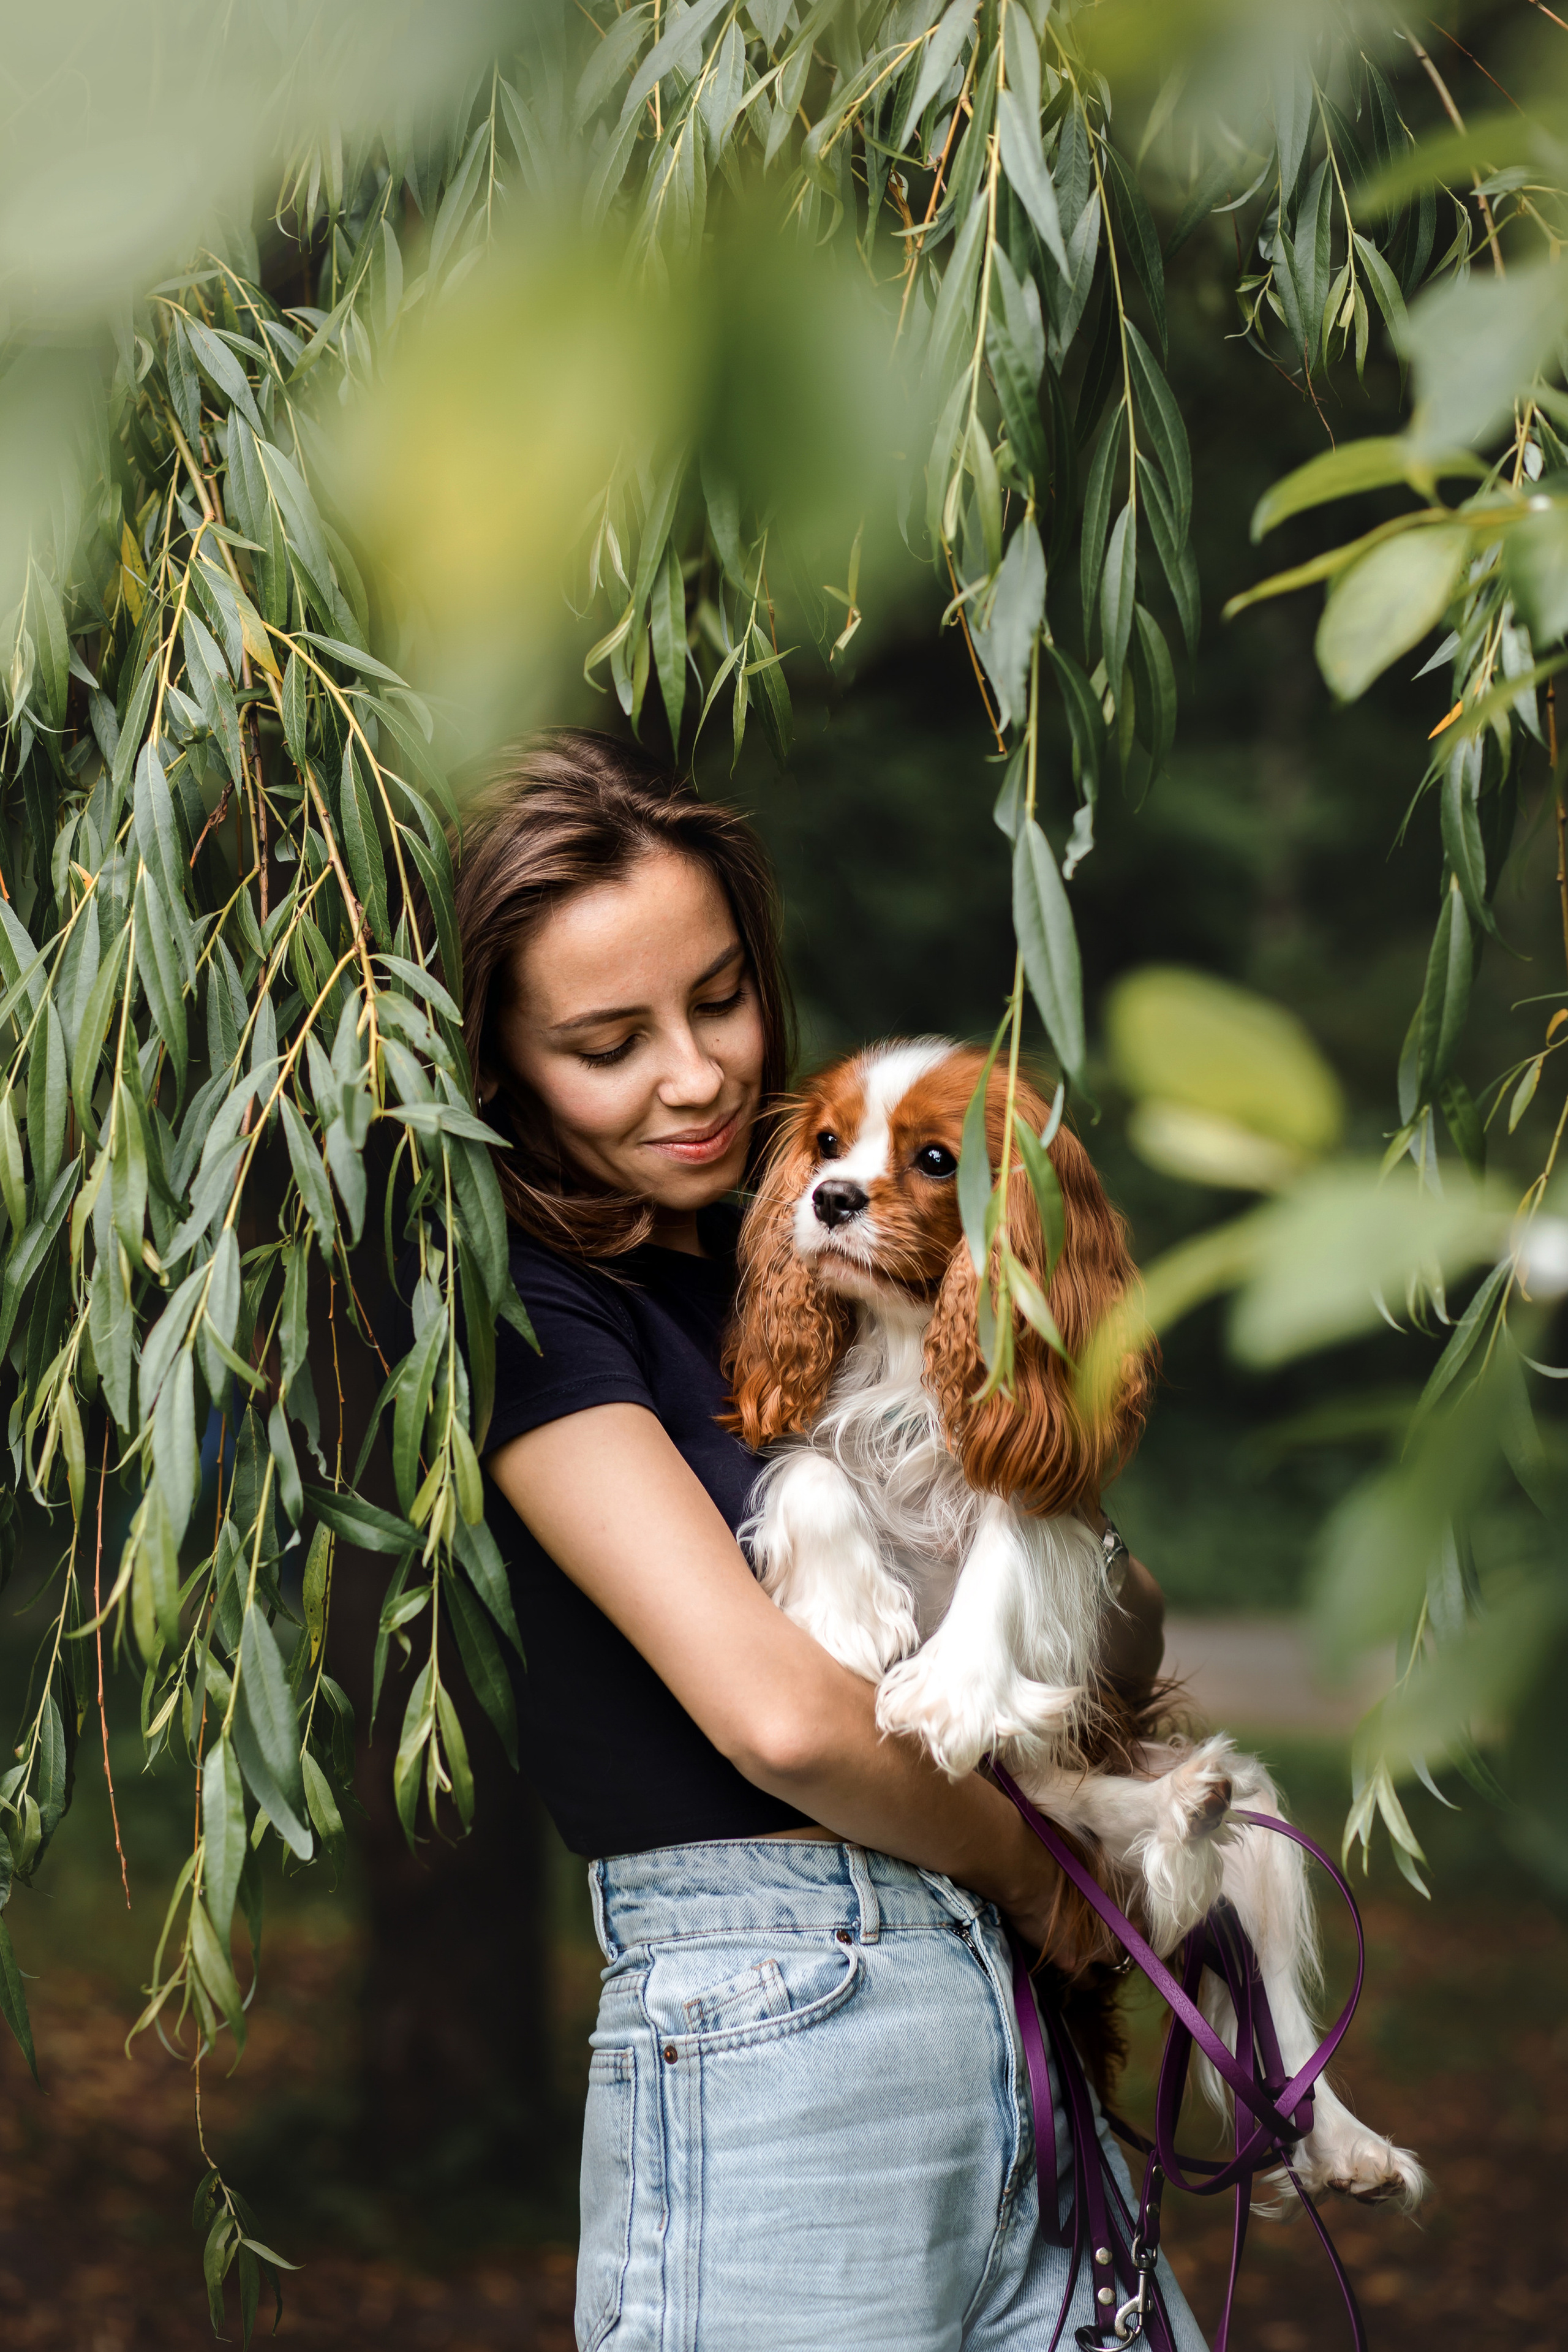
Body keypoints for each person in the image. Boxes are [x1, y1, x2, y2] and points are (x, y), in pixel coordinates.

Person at [451, 730, 1208, 2352]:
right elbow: (780, 1714)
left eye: (720, 997)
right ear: (504, 1067)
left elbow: (1117, 1601)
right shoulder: (525, 1304)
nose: (702, 1074)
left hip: (1010, 2029)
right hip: (788, 2002)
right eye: (607, 1043)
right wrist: (1041, 1875)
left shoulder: (846, 1219)